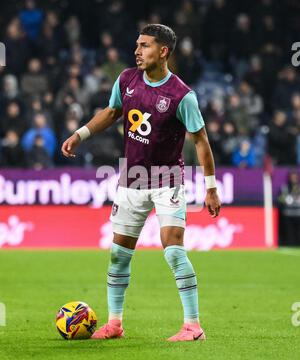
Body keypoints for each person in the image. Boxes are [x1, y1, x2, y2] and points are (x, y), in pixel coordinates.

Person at [61, 24, 221, 342]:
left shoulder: (181, 95)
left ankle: (193, 326)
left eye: (145, 45)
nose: (137, 50)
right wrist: (80, 135)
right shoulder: (127, 79)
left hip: (167, 179)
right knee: (119, 254)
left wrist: (211, 187)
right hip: (131, 178)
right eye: (137, 44)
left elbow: (201, 141)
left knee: (174, 251)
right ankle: (115, 324)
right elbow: (112, 112)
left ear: (163, 51)